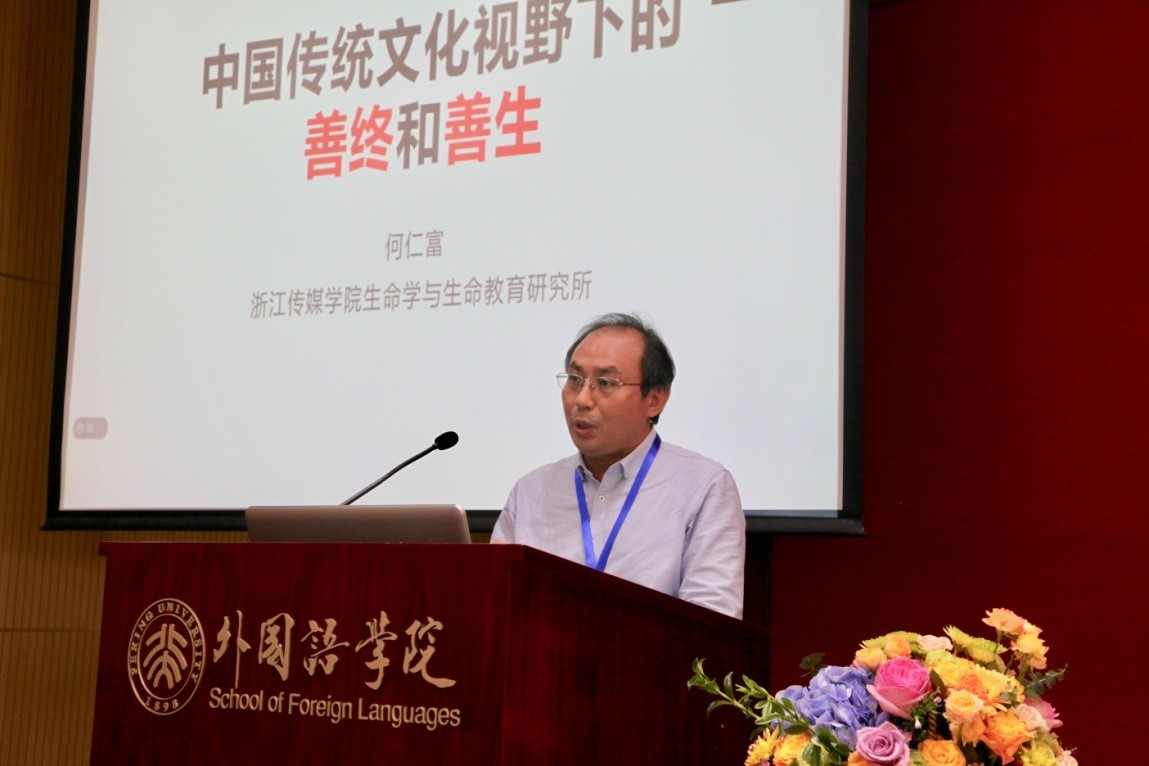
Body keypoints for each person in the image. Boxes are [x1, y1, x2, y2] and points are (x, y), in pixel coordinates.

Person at [491, 312, 746, 618]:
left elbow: (712, 622)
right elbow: (496, 606)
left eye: (605, 383)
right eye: (574, 380)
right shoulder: (530, 492)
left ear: (654, 399)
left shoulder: (704, 487)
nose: (582, 399)